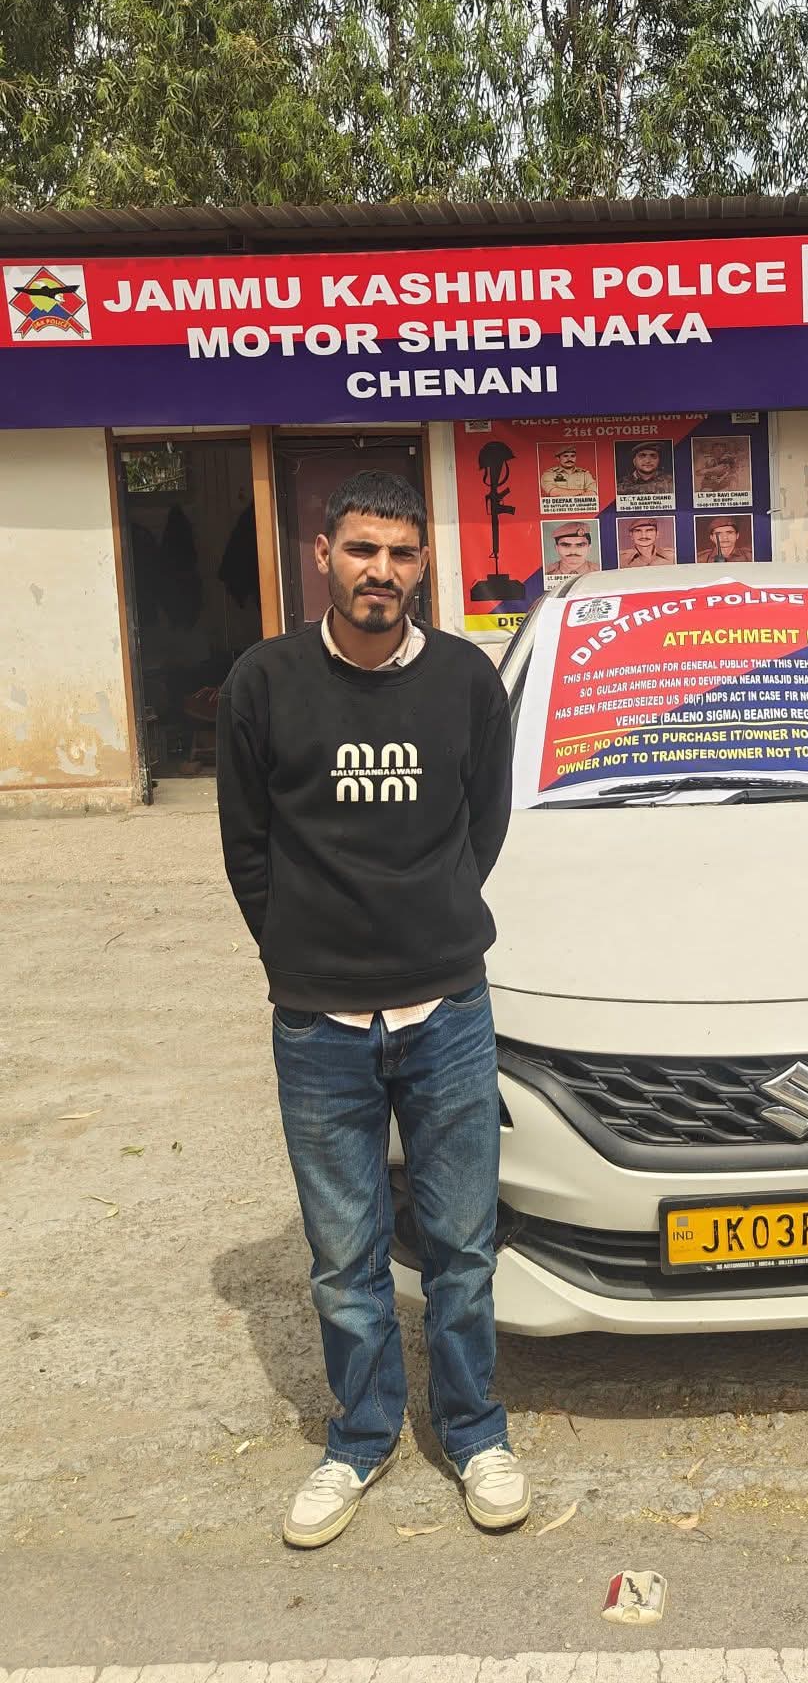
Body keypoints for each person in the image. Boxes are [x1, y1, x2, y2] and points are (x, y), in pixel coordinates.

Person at [215, 470, 529, 1549]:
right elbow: (247, 848)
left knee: (461, 1247)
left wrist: (429, 924)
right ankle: (360, 1437)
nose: (379, 571)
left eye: (399, 553)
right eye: (361, 550)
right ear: (324, 555)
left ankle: (475, 1432)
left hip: (448, 1012)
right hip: (318, 1025)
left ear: (422, 564)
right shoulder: (264, 682)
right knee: (345, 1259)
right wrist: (303, 950)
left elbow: (484, 824)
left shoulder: (465, 681)